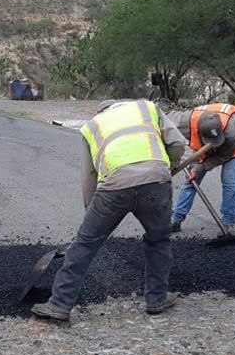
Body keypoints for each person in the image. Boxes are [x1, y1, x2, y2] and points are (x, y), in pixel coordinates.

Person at [31, 99, 187, 322]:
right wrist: (168, 166)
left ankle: (59, 304)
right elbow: (178, 143)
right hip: (156, 182)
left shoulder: (93, 125)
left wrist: (90, 211)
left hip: (113, 188)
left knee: (84, 244)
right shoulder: (146, 108)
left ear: (102, 111)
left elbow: (89, 176)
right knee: (159, 241)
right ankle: (156, 299)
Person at [170, 103, 235, 234]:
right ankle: (176, 220)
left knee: (229, 180)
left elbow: (223, 156)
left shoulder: (232, 133)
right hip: (201, 146)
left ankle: (228, 221)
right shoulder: (183, 123)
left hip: (230, 144)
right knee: (191, 180)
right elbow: (165, 132)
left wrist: (201, 166)